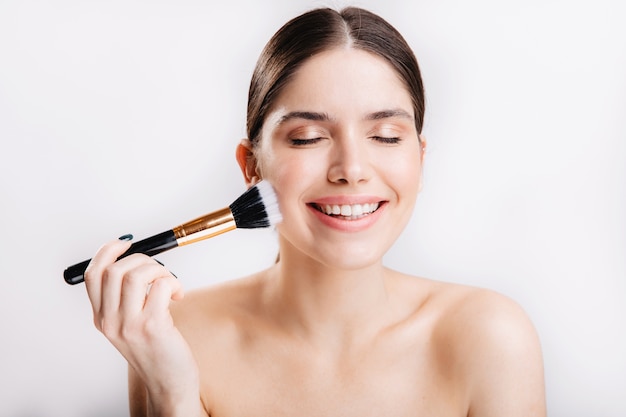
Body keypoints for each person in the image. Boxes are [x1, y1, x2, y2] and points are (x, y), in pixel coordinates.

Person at [83, 6, 546, 417]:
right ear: (251, 166)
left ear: (420, 161)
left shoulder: (490, 338)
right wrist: (174, 395)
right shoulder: (174, 336)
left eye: (386, 135)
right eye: (307, 137)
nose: (352, 169)